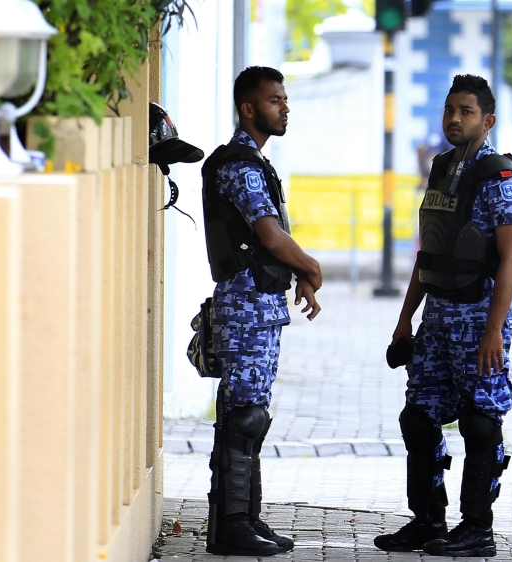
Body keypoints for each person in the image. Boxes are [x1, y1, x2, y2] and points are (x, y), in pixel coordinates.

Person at [374, 74, 512, 558]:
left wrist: (493, 331)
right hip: (436, 318)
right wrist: (405, 320)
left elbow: (511, 260)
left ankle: (476, 529)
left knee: (480, 423)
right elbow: (430, 252)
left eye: (465, 111)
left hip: (479, 317)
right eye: (449, 110)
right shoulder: (441, 168)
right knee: (418, 419)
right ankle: (427, 520)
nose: (455, 119)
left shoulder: (500, 176)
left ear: (488, 120)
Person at [201, 65, 323, 556]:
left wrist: (297, 276)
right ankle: (232, 527)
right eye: (275, 100)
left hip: (259, 302)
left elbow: (266, 244)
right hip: (246, 306)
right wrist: (312, 266)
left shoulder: (253, 163)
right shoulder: (241, 166)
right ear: (248, 109)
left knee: (248, 414)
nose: (285, 107)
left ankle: (244, 518)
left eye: (285, 99)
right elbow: (269, 236)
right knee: (244, 416)